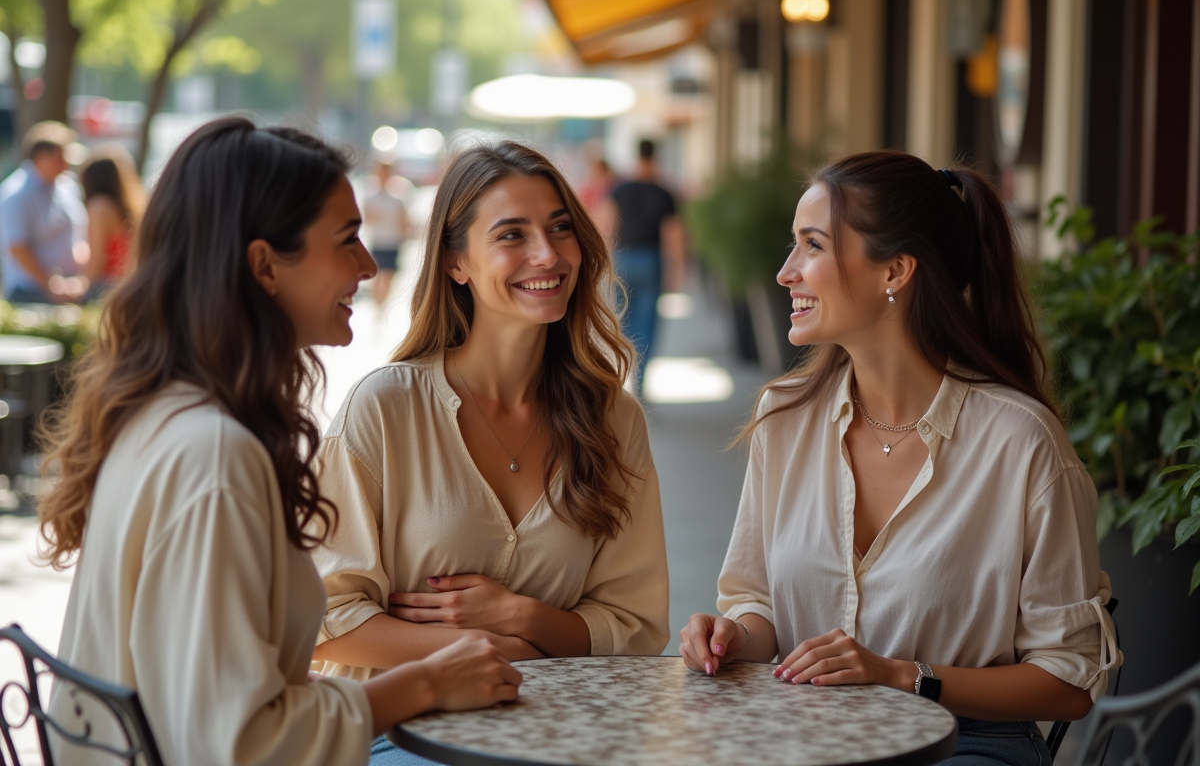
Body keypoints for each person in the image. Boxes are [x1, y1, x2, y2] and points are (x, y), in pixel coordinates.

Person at [38, 118, 522, 766]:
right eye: (346, 239)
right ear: (265, 265)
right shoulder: (215, 456)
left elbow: (196, 687)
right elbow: (240, 743)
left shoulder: (164, 417)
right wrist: (427, 683)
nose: (368, 265)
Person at [677, 152, 1121, 764]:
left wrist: (902, 675)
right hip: (809, 737)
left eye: (812, 246)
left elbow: (1068, 682)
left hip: (965, 743)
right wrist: (730, 637)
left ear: (895, 270)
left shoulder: (1022, 443)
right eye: (793, 245)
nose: (785, 272)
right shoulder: (784, 418)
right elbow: (758, 605)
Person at [310, 140, 670, 763]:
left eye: (560, 228)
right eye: (511, 234)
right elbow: (327, 617)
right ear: (457, 263)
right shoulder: (386, 407)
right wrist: (493, 652)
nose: (547, 254)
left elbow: (634, 626)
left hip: (557, 737)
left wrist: (523, 618)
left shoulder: (614, 419)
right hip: (400, 737)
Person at [602, 139, 685, 394]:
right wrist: (676, 270)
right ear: (655, 157)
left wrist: (604, 262)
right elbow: (673, 236)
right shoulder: (664, 193)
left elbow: (607, 227)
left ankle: (620, 378)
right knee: (646, 325)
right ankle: (639, 384)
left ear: (636, 155)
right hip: (651, 260)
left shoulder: (619, 189)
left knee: (620, 322)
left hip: (622, 260)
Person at [0, 121, 87, 303]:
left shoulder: (67, 186)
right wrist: (51, 285)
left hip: (70, 286)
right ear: (41, 157)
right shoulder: (17, 193)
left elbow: (79, 235)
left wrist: (81, 279)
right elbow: (18, 248)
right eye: (60, 158)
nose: (66, 165)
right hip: (30, 292)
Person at [80, 144, 144, 296]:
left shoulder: (99, 206)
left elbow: (97, 263)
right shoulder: (133, 208)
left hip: (107, 287)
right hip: (129, 284)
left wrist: (80, 286)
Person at [361, 159, 411, 310]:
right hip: (378, 240)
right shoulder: (370, 196)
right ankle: (378, 303)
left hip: (394, 241)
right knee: (377, 274)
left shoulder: (398, 198)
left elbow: (404, 221)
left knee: (389, 274)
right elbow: (367, 218)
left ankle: (382, 303)